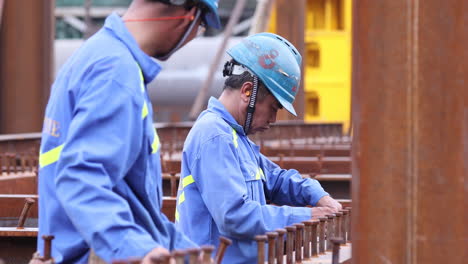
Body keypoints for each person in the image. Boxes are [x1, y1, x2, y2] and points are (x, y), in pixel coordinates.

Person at [37, 0, 220, 263]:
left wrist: (187, 251)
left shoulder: (99, 55)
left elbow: (132, 201)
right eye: (201, 27)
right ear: (189, 16)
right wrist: (137, 249)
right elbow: (81, 178)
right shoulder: (116, 73)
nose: (193, 37)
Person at [174, 33, 343, 263]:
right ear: (247, 92)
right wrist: (308, 215)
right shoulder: (214, 136)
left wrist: (316, 194)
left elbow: (276, 179)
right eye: (273, 108)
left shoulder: (236, 137)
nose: (273, 119)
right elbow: (234, 216)